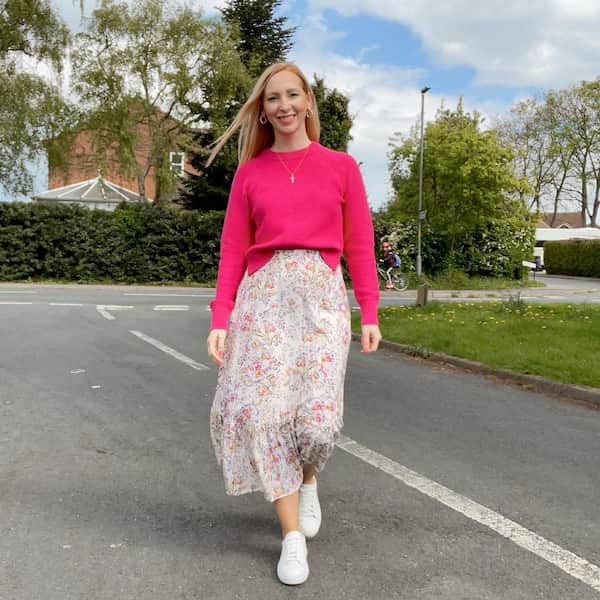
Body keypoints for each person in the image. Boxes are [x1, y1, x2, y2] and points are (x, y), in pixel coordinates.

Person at [205, 61, 382, 586]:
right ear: (262, 110)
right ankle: (291, 538)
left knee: (317, 421)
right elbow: (233, 248)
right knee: (265, 416)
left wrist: (369, 311)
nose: (282, 106)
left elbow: (360, 244)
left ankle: (309, 479)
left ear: (307, 100)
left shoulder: (341, 166)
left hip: (321, 297)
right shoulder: (250, 173)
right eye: (272, 99)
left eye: (291, 95)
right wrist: (221, 317)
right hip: (263, 299)